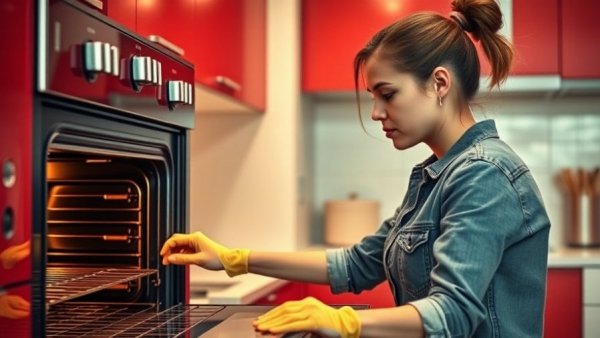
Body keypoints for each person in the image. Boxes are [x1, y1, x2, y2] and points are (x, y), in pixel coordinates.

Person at [160, 0, 551, 336]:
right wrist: (233, 258)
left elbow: (452, 314)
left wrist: (342, 322)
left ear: (439, 84)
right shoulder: (436, 176)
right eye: (373, 96)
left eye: (388, 94)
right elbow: (357, 264)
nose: (377, 112)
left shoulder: (483, 173)